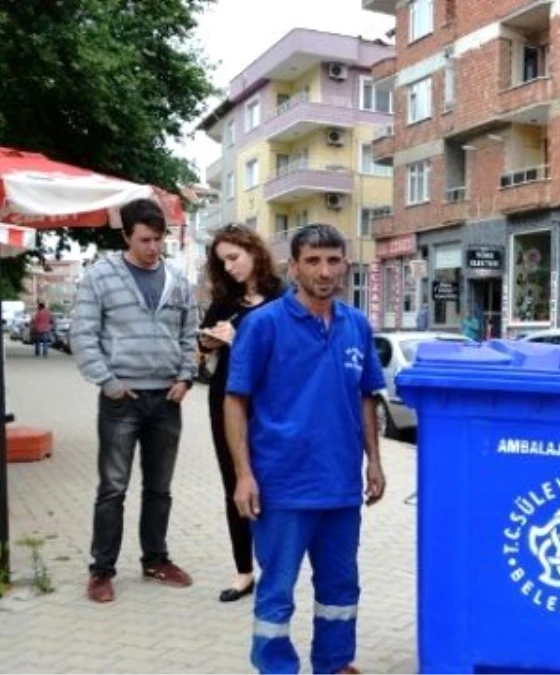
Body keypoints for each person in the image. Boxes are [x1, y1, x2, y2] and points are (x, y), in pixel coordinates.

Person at [224, 224, 386, 675]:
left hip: (340, 486)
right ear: (292, 267)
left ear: (345, 265)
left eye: (333, 260)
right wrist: (243, 474)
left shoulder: (356, 325)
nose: (324, 270)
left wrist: (374, 460)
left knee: (340, 586)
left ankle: (334, 664)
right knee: (276, 589)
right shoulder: (263, 325)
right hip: (282, 486)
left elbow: (366, 395)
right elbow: (234, 400)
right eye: (312, 260)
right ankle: (276, 668)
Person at [70, 198, 198, 604]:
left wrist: (185, 377)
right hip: (122, 399)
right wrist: (108, 382)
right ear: (125, 235)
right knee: (113, 488)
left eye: (159, 239)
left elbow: (190, 334)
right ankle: (101, 571)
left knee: (159, 488)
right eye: (144, 239)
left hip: (167, 400)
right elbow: (83, 334)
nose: (153, 248)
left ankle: (156, 559)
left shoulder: (178, 280)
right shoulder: (100, 277)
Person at [198, 223, 284, 603]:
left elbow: (291, 349)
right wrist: (208, 341)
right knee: (235, 481)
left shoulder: (283, 297)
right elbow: (201, 349)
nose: (230, 267)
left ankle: (276, 567)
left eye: (234, 258)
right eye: (223, 262)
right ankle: (243, 571)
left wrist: (243, 337)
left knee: (271, 480)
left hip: (270, 399)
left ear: (254, 252)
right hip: (226, 399)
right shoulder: (225, 301)